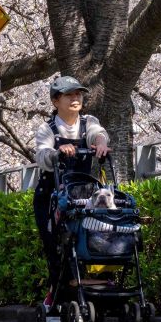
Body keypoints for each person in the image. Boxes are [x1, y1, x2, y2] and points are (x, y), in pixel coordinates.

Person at [32, 75, 110, 307]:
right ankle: (56, 293)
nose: (76, 98)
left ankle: (85, 288)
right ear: (56, 101)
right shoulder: (47, 128)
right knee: (54, 244)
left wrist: (101, 142)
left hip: (81, 193)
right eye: (69, 95)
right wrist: (57, 152)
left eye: (78, 94)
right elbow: (42, 154)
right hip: (51, 194)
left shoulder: (88, 122)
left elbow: (98, 132)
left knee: (86, 240)